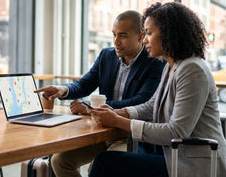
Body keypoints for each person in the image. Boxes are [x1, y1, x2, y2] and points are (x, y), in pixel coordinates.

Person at [88, 2, 226, 177]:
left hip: (195, 164)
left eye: (149, 33)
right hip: (175, 157)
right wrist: (119, 112)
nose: (144, 40)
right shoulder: (170, 66)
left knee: (105, 162)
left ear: (169, 34)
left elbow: (176, 132)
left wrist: (118, 121)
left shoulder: (192, 69)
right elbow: (153, 105)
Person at [35, 10, 166, 177]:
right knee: (59, 161)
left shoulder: (155, 62)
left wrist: (91, 108)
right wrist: (63, 90)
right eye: (114, 35)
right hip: (101, 132)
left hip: (129, 135)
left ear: (141, 37)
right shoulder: (107, 55)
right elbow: (85, 84)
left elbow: (142, 101)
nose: (116, 41)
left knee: (100, 166)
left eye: (123, 36)